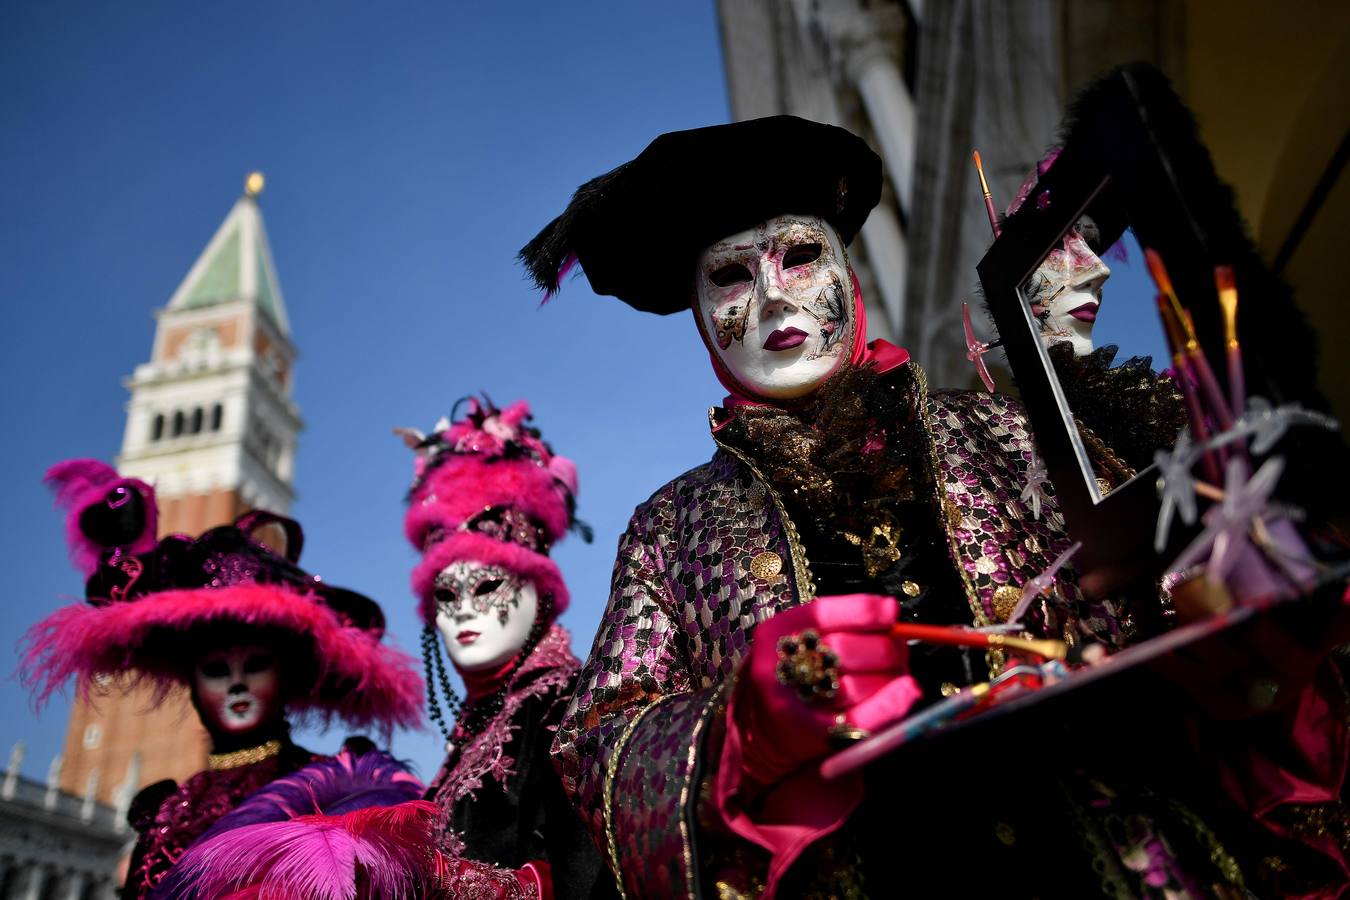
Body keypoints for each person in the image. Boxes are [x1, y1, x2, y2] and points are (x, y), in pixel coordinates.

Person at [522, 116, 1347, 898]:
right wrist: (738, 731)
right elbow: (598, 743)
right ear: (701, 318)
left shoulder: (1010, 430)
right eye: (733, 275)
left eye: (801, 257)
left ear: (847, 269)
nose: (773, 300)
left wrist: (1225, 601)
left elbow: (1151, 586)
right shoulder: (671, 529)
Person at [21, 459, 423, 899]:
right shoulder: (166, 812)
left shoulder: (337, 788)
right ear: (192, 684)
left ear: (285, 675)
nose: (235, 684)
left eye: (254, 666)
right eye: (215, 670)